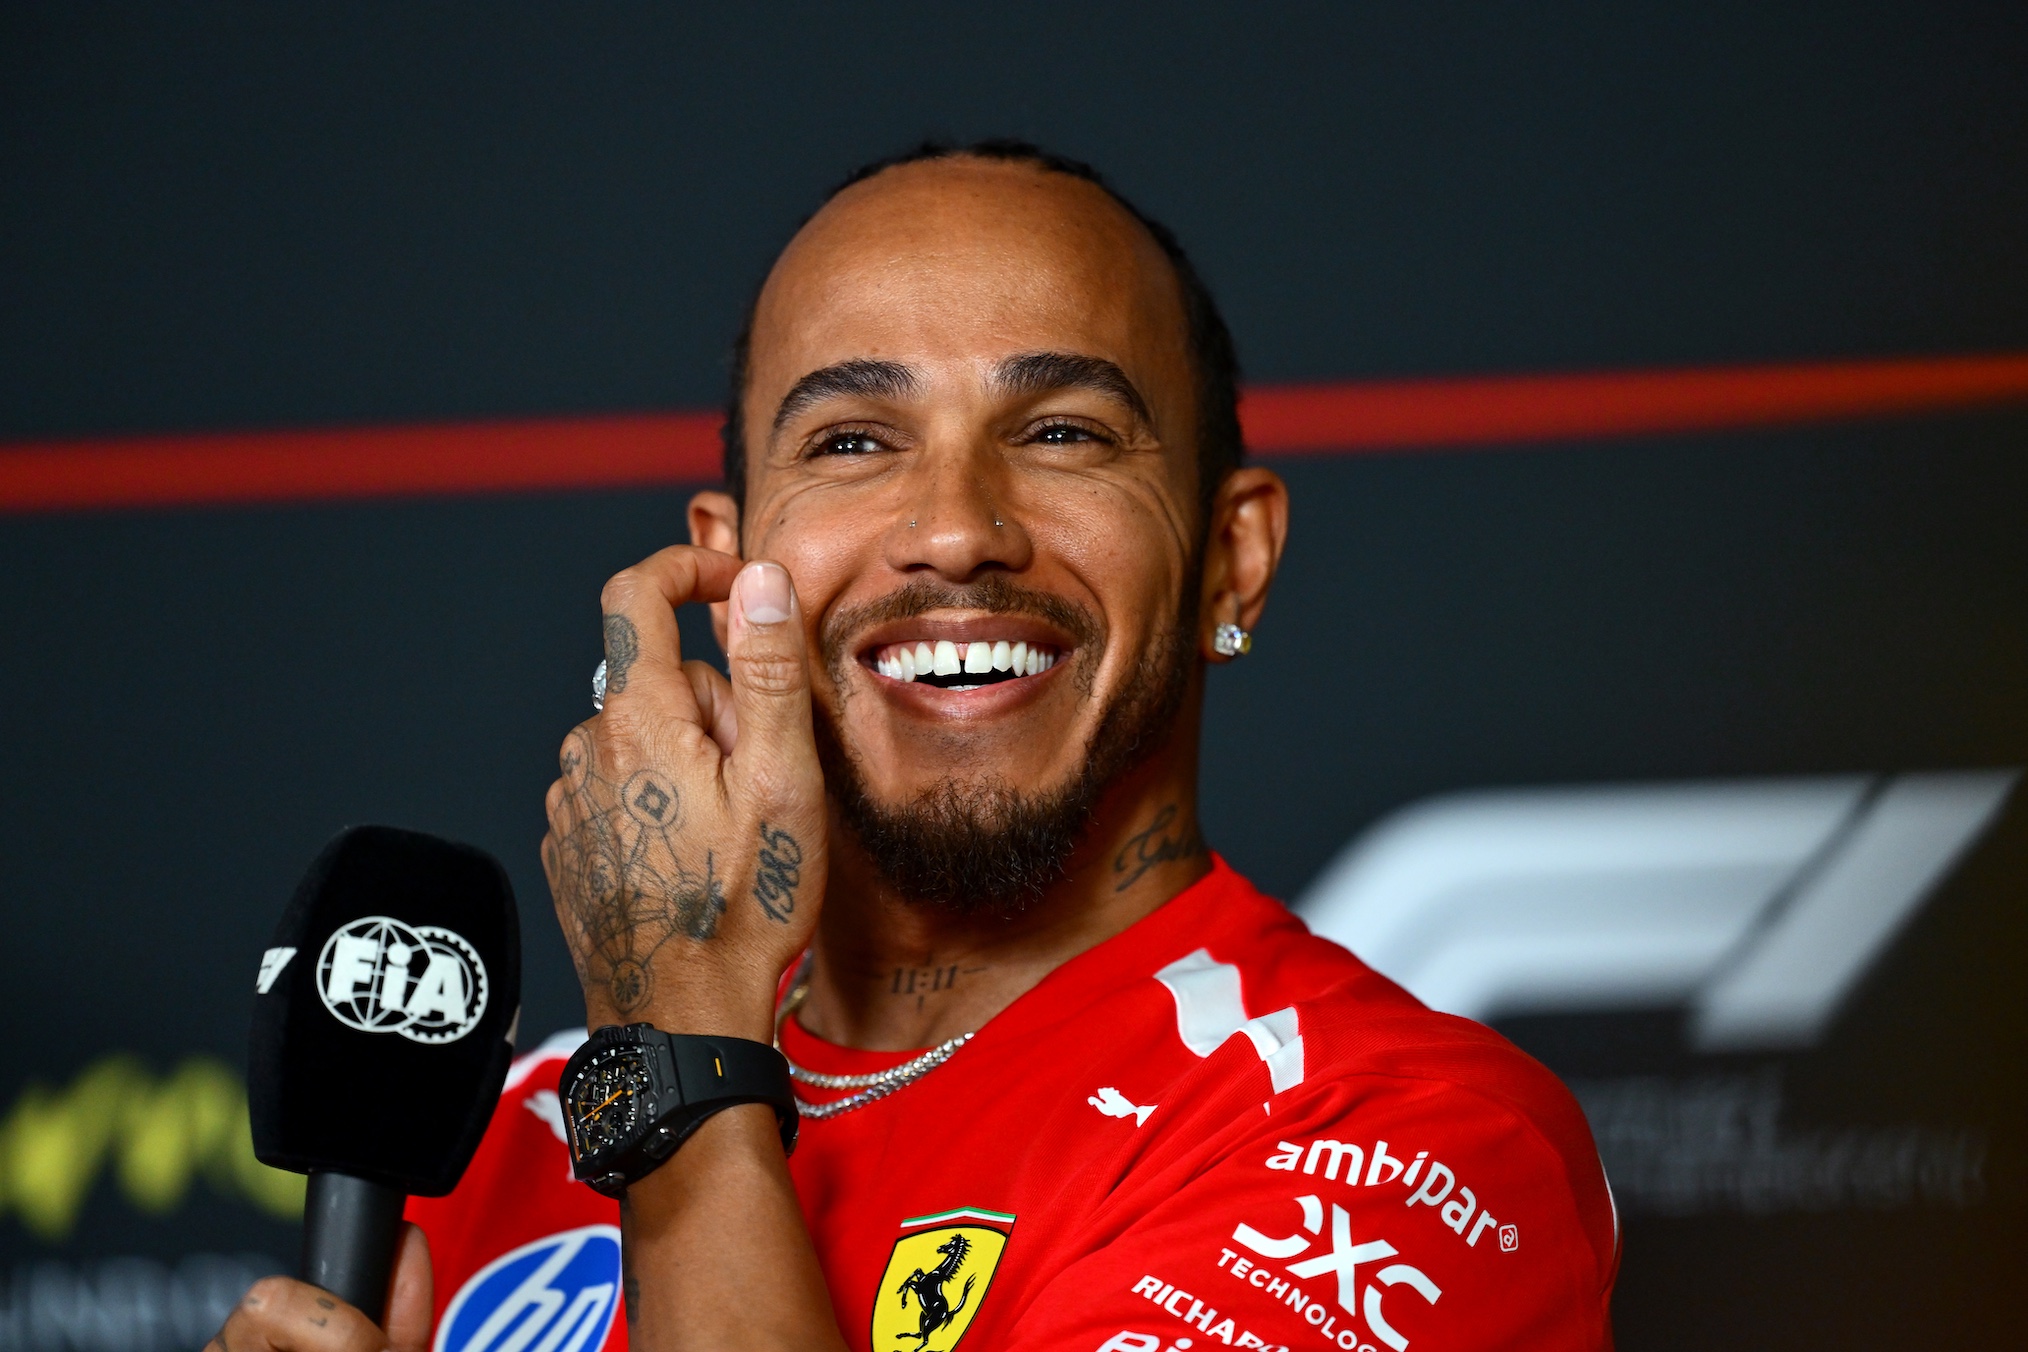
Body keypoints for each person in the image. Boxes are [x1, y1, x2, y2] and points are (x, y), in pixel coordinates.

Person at [213, 141, 1617, 1352]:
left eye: (1063, 431)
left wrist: (675, 1048)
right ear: (728, 562)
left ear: (1231, 563)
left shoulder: (1407, 1150)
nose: (954, 528)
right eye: (850, 441)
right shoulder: (501, 1147)